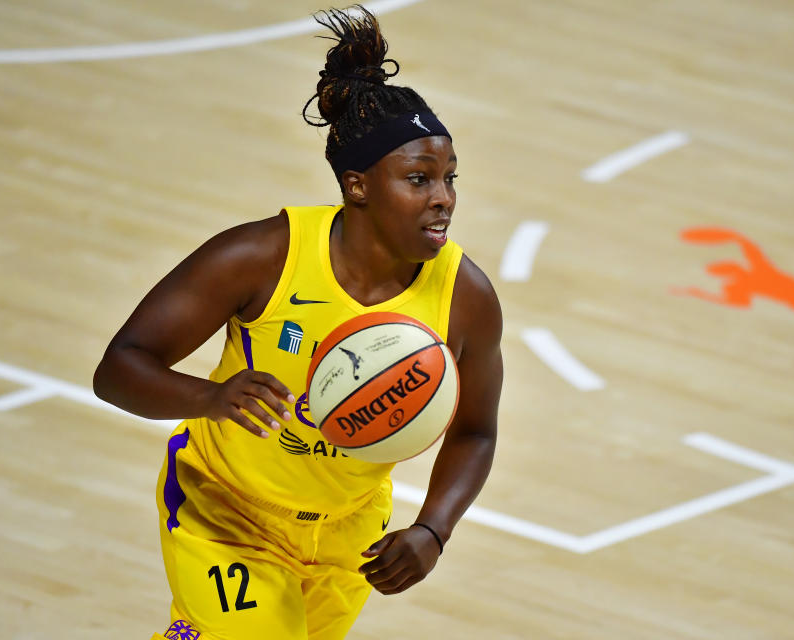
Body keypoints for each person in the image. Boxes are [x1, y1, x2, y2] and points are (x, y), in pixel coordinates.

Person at [93, 6, 503, 639]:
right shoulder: (261, 257)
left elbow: (474, 430)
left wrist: (433, 530)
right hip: (224, 508)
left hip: (348, 532)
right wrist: (209, 396)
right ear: (358, 186)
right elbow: (119, 369)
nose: (443, 196)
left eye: (449, 178)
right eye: (419, 179)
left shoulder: (465, 296)